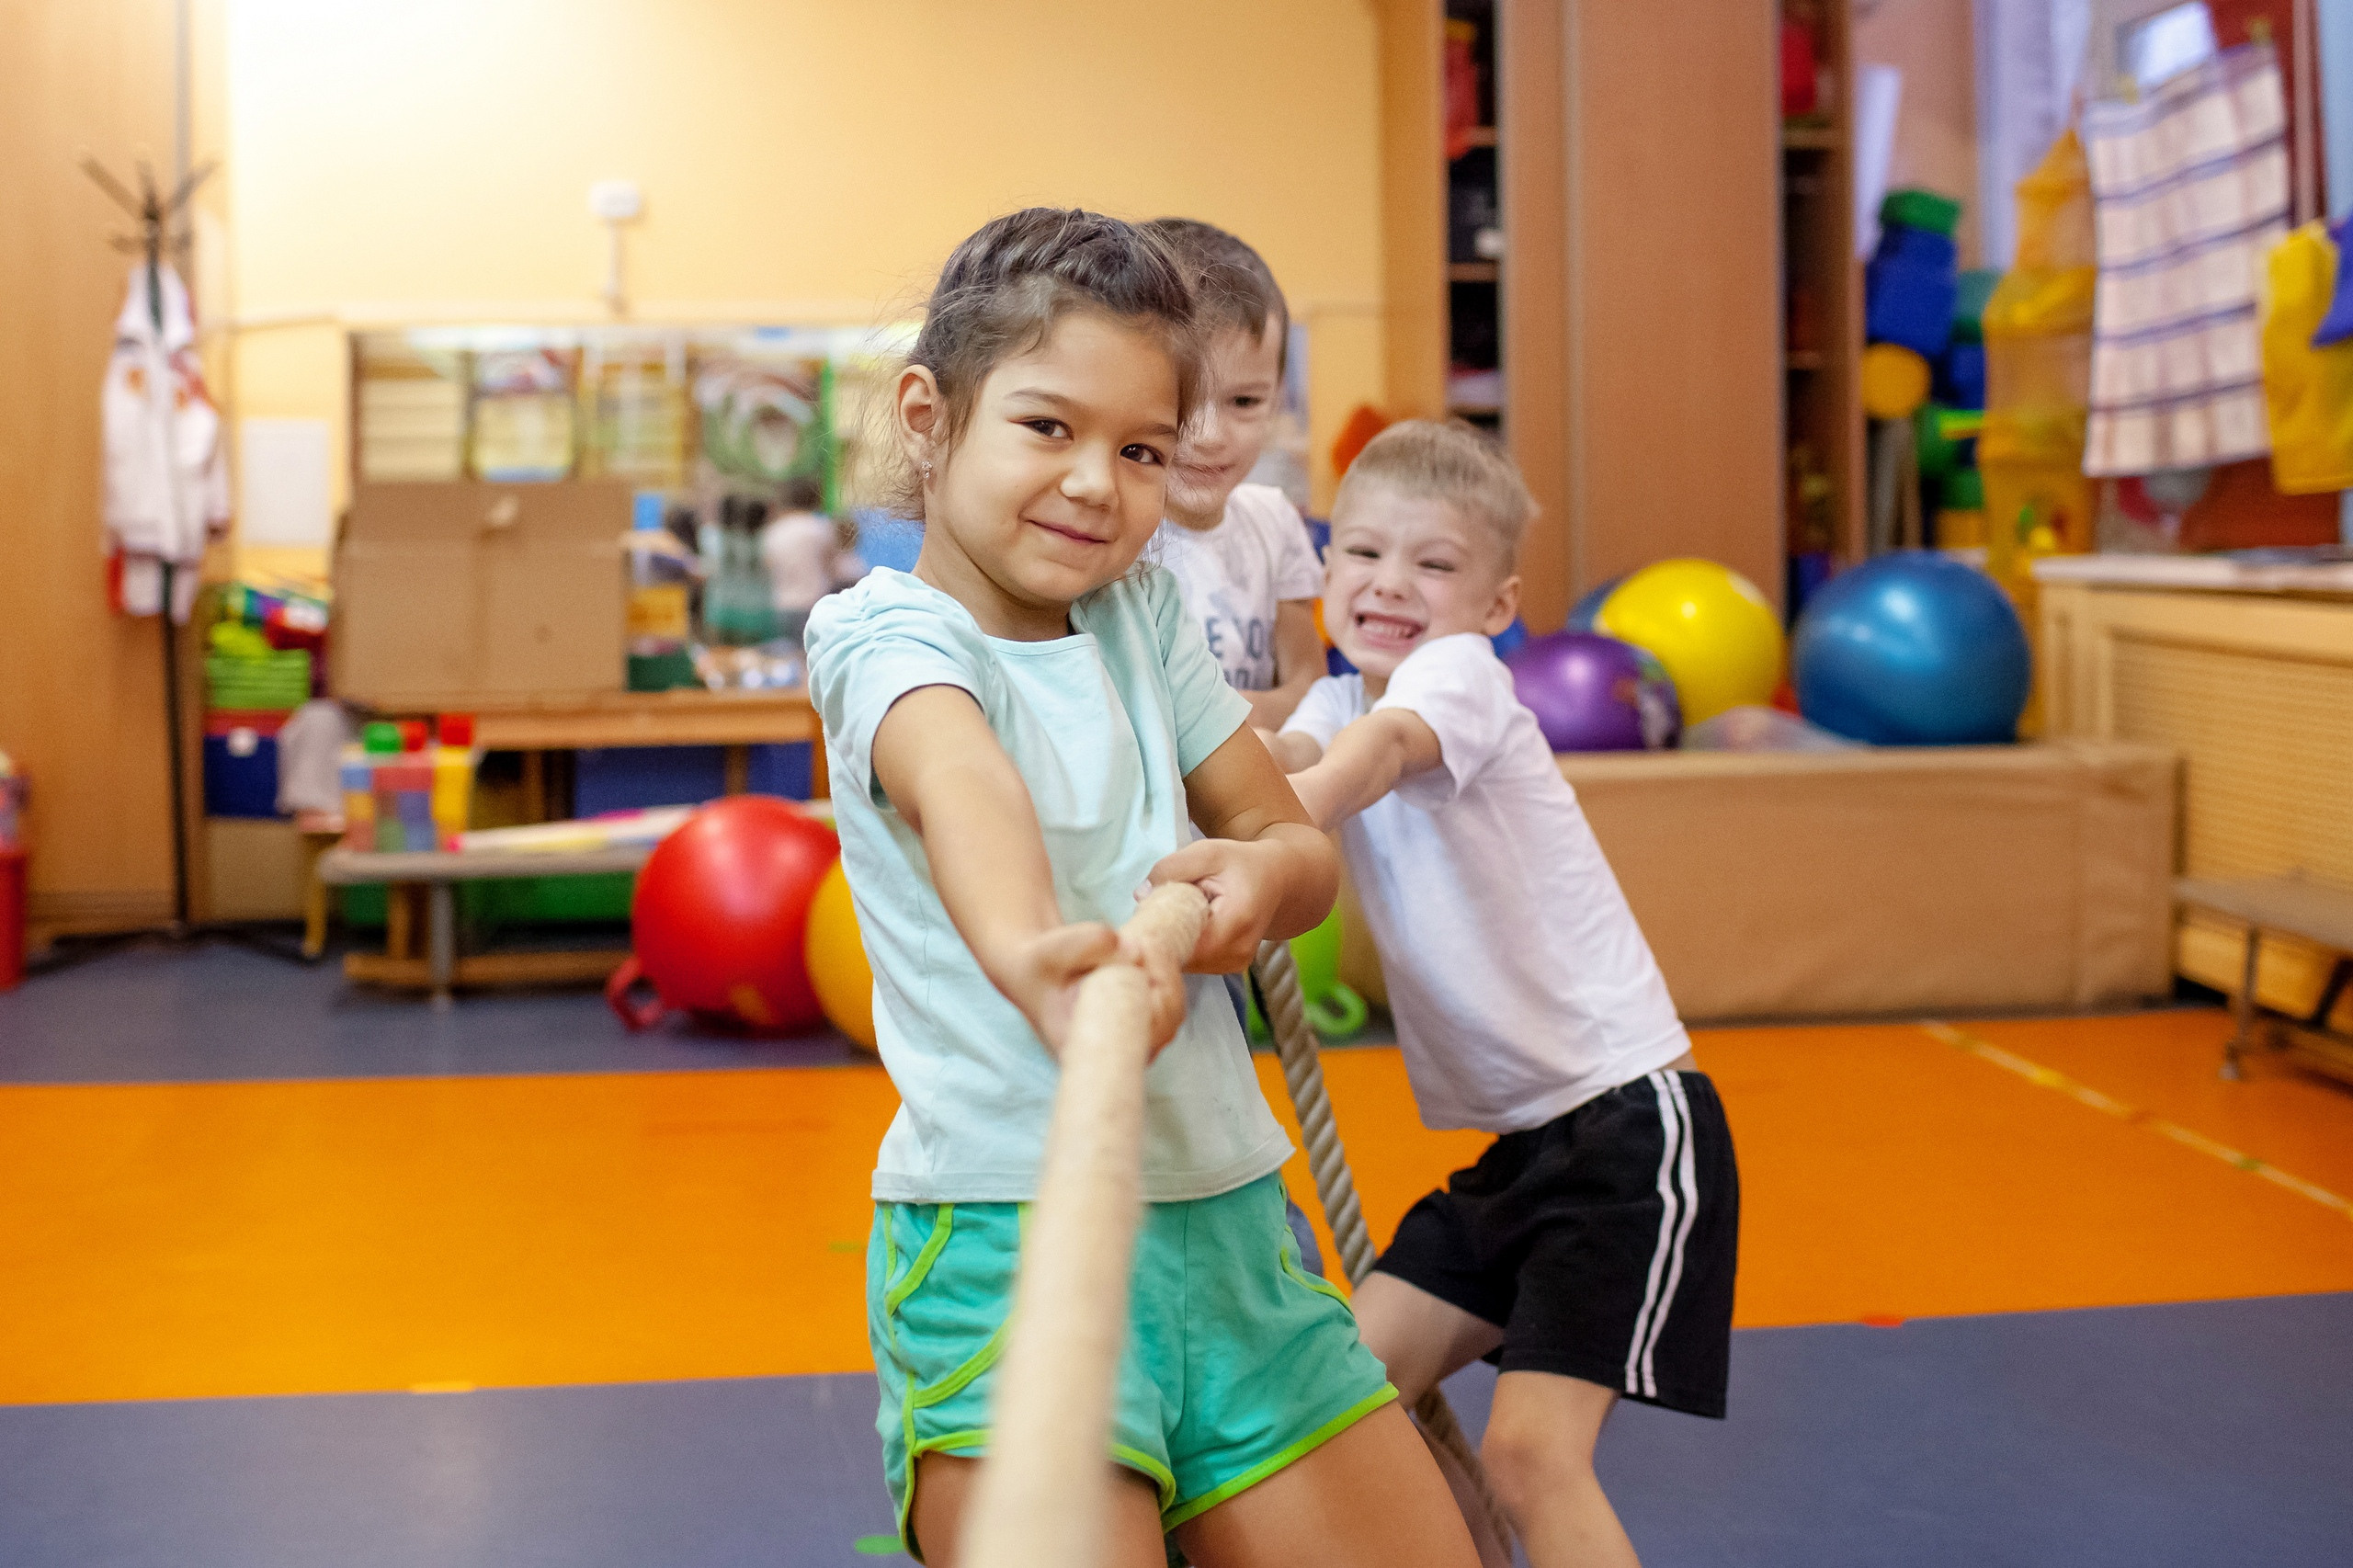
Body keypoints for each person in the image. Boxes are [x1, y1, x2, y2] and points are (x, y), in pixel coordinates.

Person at [804, 210, 1479, 1568]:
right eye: (1048, 427)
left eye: (1142, 449)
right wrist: (1034, 949)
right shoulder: (881, 635)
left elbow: (1293, 844)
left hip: (1228, 1227)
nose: (1096, 483)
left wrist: (1259, 877)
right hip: (1008, 1233)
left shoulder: (1142, 618)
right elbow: (962, 777)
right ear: (931, 417)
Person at [1263, 421, 1740, 1568]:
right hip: (1525, 1151)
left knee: (1532, 1453)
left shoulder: (1458, 680)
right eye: (1363, 554)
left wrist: (1293, 815)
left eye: (1433, 565)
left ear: (1494, 603)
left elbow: (1377, 754)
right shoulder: (1330, 707)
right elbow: (1257, 739)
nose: (1389, 583)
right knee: (1341, 1399)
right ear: (1326, 573)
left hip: (1629, 1135)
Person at [1142, 218, 1325, 730]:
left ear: (1277, 396)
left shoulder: (1274, 522)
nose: (1208, 435)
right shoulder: (1108, 532)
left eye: (1244, 401)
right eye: (1180, 399)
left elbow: (1309, 686)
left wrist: (1211, 722)